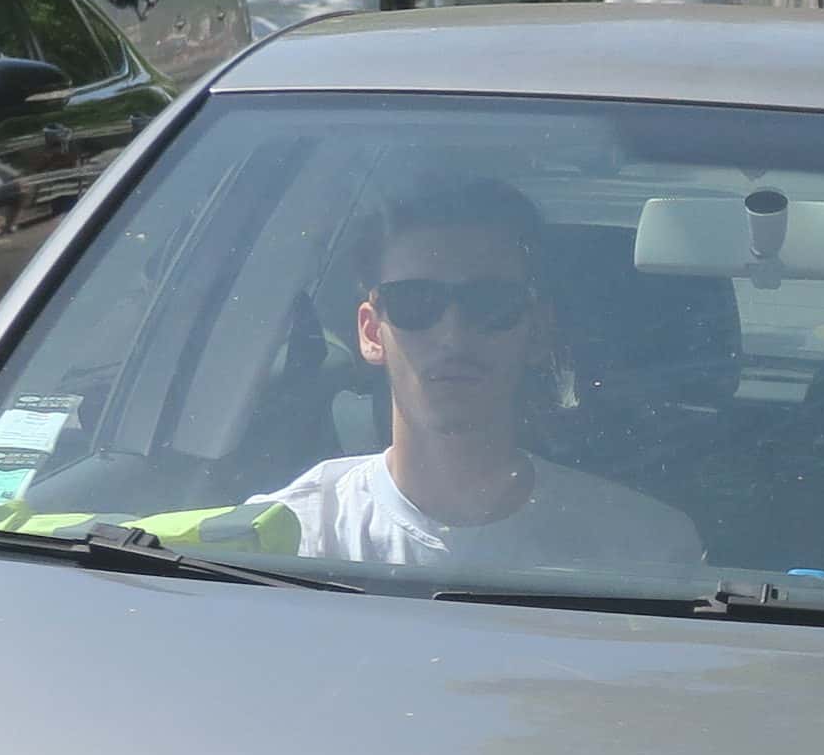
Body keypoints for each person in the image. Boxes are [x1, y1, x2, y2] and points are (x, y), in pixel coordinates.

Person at [258, 176, 709, 580]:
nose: (453, 336)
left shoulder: (645, 553)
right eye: (415, 302)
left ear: (536, 332)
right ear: (372, 332)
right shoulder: (282, 546)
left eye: (491, 302)